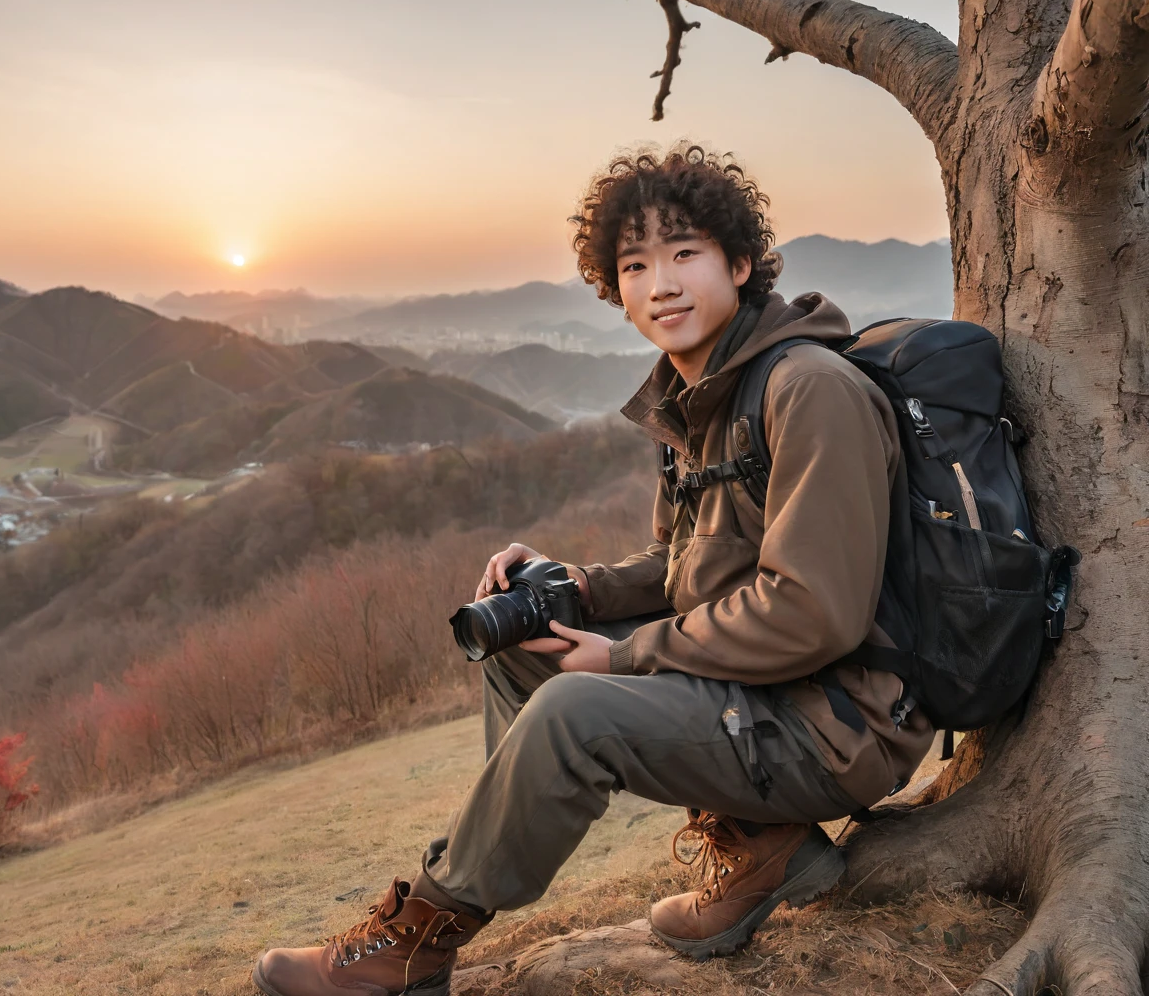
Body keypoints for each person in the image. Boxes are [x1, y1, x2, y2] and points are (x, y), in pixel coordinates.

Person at [252, 143, 935, 996]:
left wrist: (623, 655)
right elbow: (679, 566)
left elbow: (810, 611)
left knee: (577, 706)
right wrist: (572, 588)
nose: (662, 284)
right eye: (636, 264)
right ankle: (769, 852)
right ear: (617, 291)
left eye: (685, 253)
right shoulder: (702, 400)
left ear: (742, 262)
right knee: (524, 643)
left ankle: (421, 941)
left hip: (836, 724)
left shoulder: (807, 390)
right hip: (769, 699)